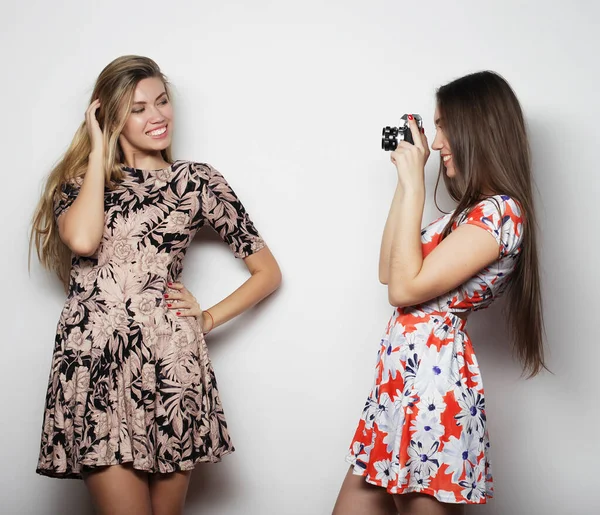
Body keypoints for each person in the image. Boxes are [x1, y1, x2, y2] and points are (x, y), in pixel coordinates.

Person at [31, 55, 282, 515]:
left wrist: (207, 318)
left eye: (162, 102)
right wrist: (96, 145)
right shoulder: (77, 186)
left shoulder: (197, 181)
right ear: (109, 117)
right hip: (95, 363)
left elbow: (268, 272)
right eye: (138, 107)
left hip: (170, 362)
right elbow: (84, 240)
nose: (157, 116)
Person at [333, 71, 545, 515]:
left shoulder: (501, 213)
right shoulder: (465, 215)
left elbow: (404, 288)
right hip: (398, 391)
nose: (439, 140)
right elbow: (387, 270)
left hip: (434, 395)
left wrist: (415, 185)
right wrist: (403, 184)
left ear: (476, 128)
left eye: (444, 124)